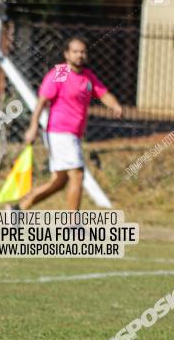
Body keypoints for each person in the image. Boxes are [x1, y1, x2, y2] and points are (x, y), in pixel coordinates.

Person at [13, 37, 121, 211]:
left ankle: (18, 209)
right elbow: (42, 101)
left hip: (74, 134)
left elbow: (103, 94)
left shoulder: (87, 76)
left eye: (83, 52)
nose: (80, 55)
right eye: (75, 52)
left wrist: (115, 105)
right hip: (60, 132)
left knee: (59, 181)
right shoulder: (61, 72)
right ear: (67, 54)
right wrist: (33, 126)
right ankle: (72, 224)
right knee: (77, 175)